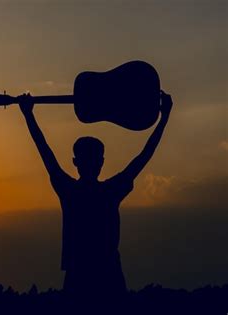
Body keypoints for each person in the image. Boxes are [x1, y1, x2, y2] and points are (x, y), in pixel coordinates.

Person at [19, 90, 173, 298]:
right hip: (108, 277)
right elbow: (144, 156)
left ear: (76, 162)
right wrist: (164, 119)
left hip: (79, 277)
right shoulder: (110, 192)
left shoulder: (70, 191)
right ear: (101, 162)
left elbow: (44, 150)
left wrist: (28, 115)